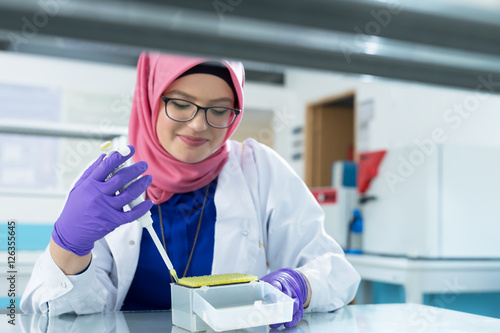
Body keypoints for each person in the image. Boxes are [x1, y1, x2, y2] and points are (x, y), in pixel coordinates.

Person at [20, 52, 360, 328]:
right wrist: (68, 247)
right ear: (151, 98)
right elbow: (58, 315)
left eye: (219, 109)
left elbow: (337, 272)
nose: (199, 125)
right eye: (181, 104)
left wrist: (301, 285)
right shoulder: (108, 178)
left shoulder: (260, 170)